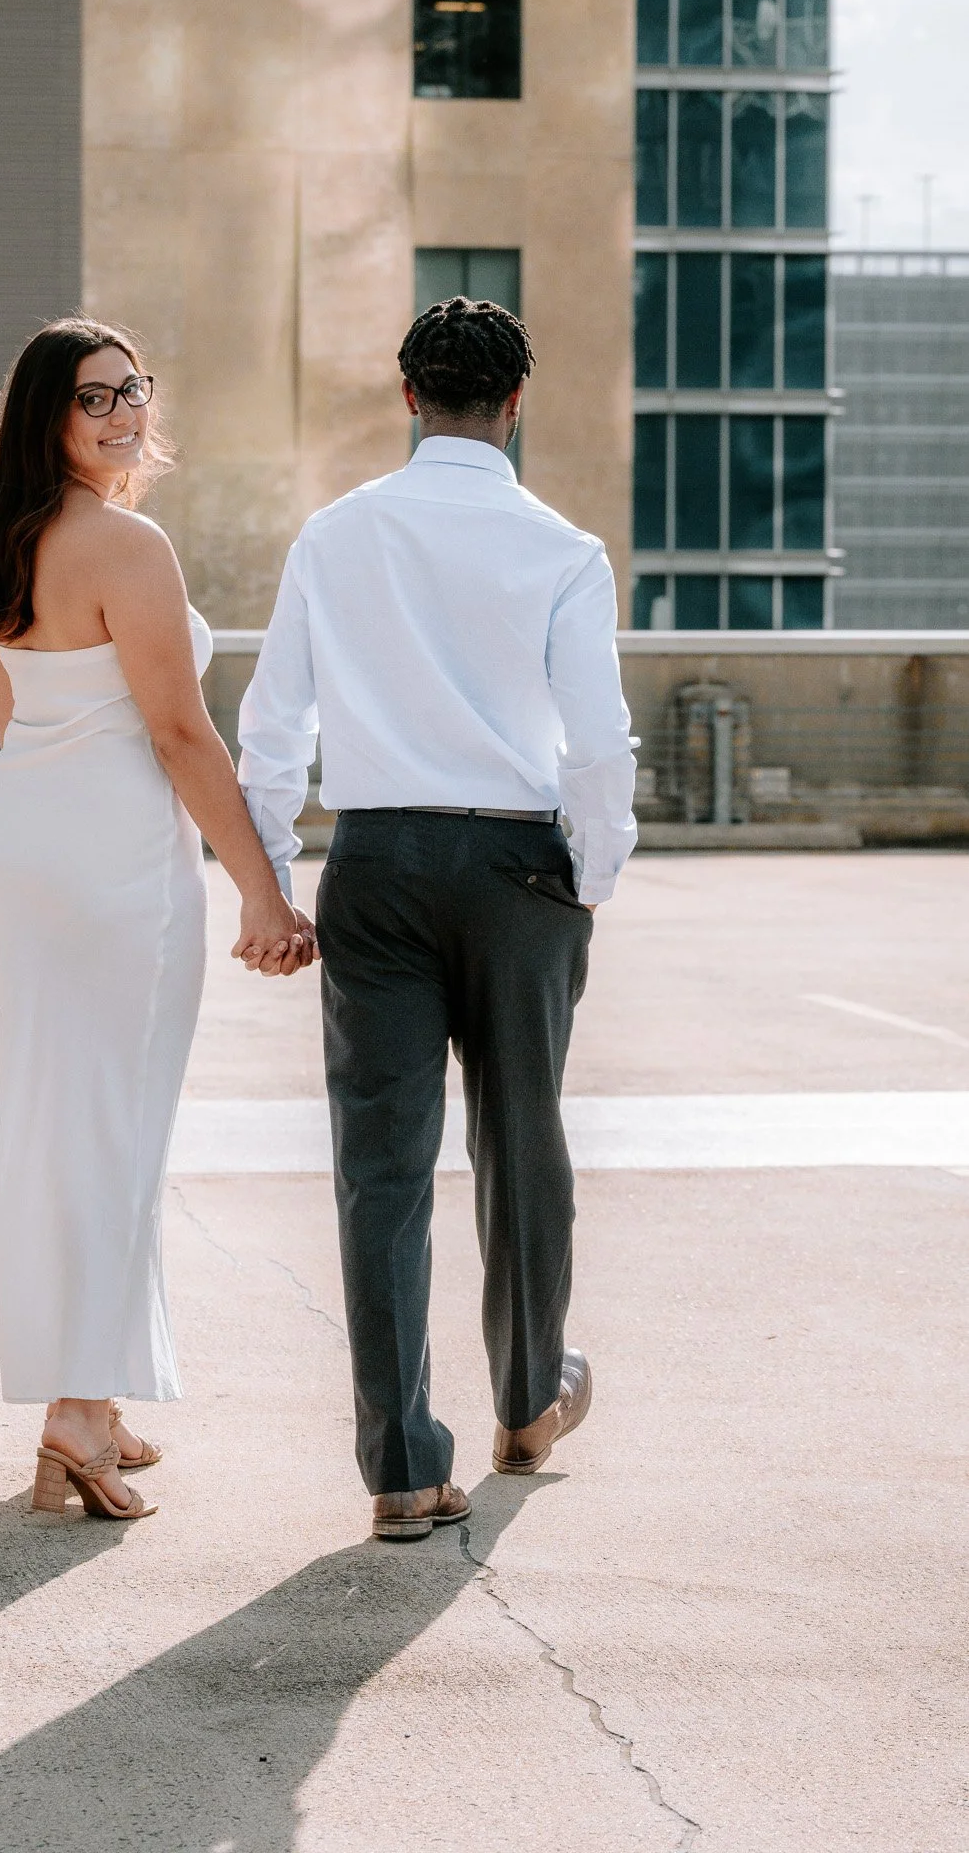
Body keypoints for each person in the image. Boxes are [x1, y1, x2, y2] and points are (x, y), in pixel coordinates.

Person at [238, 297, 637, 1541]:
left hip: (380, 860)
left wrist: (270, 880)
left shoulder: (337, 535)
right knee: (524, 1137)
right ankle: (529, 1400)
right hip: (522, 868)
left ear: (408, 398)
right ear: (516, 406)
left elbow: (274, 726)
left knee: (381, 1165)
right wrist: (593, 875)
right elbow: (598, 742)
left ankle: (403, 1465)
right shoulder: (564, 549)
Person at [0, 317, 315, 1523]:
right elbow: (179, 730)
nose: (122, 413)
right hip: (113, 862)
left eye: (134, 389)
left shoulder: (0, 543)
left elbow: (18, 718)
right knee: (116, 1126)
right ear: (46, 415)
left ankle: (83, 1387)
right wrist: (257, 881)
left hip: (28, 843)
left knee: (59, 1117)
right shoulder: (127, 543)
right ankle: (81, 1412)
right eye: (94, 397)